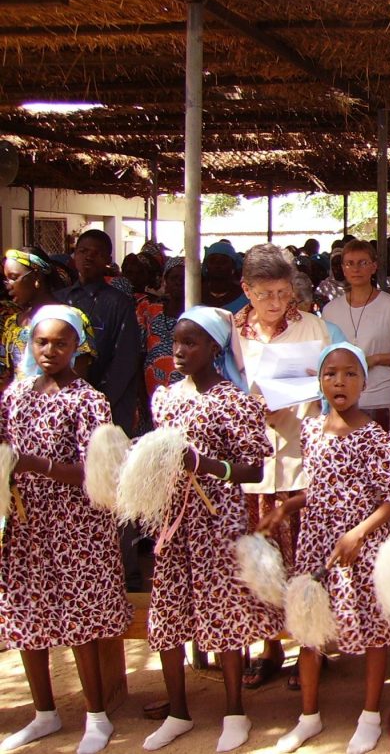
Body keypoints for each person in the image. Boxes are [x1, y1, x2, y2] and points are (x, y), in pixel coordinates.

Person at [142, 307, 283, 753]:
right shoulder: (165, 398)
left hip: (216, 520)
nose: (179, 351)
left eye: (191, 344)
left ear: (214, 348)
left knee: (224, 611)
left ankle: (234, 711)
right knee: (168, 611)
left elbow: (253, 467)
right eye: (177, 343)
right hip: (173, 519)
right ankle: (177, 712)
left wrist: (206, 466)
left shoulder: (234, 400)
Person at [0, 306, 131, 754]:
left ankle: (96, 717)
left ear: (78, 345)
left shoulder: (88, 400)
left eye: (60, 342)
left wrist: (35, 465)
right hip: (25, 522)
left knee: (83, 618)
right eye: (41, 342)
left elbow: (94, 471)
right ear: (29, 344)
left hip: (77, 524)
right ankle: (44, 714)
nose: (50, 350)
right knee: (28, 615)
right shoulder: (15, 395)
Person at [271, 344, 390, 754]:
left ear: (365, 382)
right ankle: (308, 717)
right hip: (317, 542)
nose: (339, 382)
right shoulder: (312, 430)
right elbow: (320, 488)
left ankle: (368, 717)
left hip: (360, 547)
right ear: (320, 382)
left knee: (372, 630)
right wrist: (290, 507)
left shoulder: (377, 438)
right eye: (331, 374)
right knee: (310, 625)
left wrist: (358, 534)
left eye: (350, 374)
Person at [230, 244, 332, 689]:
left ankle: (311, 648)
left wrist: (301, 397)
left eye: (283, 291)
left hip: (299, 458)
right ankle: (269, 646)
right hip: (250, 464)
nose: (276, 302)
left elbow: (332, 384)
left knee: (304, 559)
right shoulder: (231, 332)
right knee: (261, 561)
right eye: (266, 293)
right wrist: (250, 407)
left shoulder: (311, 327)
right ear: (246, 290)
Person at [56, 228, 141, 436]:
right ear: (74, 255)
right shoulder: (59, 299)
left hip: (104, 404)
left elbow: (126, 358)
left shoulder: (119, 303)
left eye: (97, 253)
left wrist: (100, 401)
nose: (89, 257)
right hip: (60, 402)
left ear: (108, 260)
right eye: (83, 251)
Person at [322, 241, 390, 432]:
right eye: (349, 263)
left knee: (385, 455)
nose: (356, 269)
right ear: (343, 268)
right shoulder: (330, 310)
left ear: (374, 266)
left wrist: (376, 359)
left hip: (379, 393)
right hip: (340, 396)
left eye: (363, 263)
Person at [0, 246, 91, 393]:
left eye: (14, 277)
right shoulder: (12, 323)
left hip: (59, 409)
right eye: (6, 279)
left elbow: (79, 377)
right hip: (18, 410)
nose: (8, 286)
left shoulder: (72, 319)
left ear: (36, 277)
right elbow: (7, 377)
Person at [138, 257, 186, 408]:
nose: (179, 282)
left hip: (186, 393)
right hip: (151, 388)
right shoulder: (149, 311)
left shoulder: (199, 315)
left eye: (184, 278)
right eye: (174, 278)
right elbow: (139, 352)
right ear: (165, 281)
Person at [201, 242, 248, 314]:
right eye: (212, 261)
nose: (217, 265)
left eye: (223, 262)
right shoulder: (196, 295)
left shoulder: (245, 297)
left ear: (233, 266)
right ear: (206, 265)